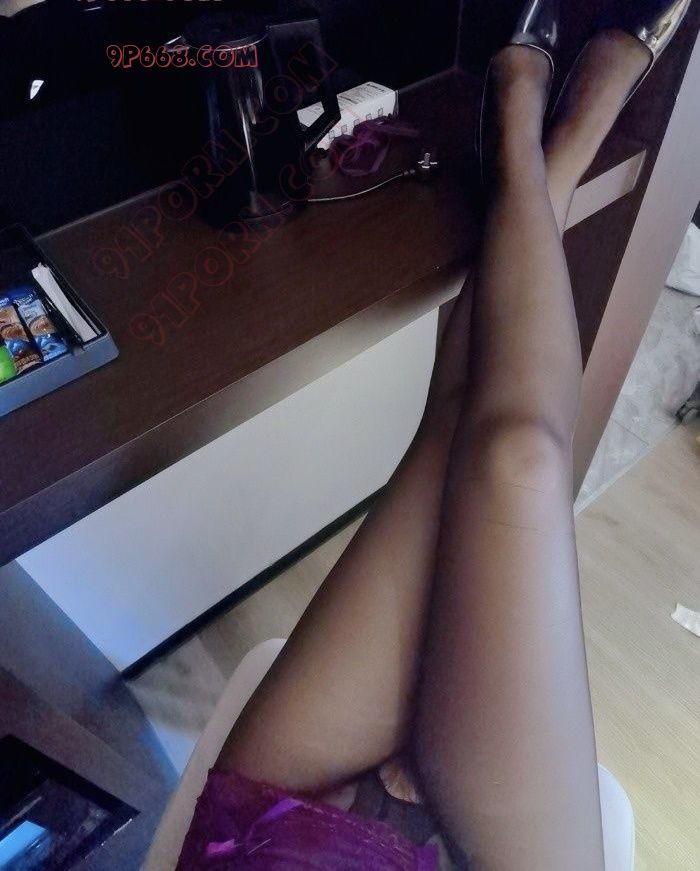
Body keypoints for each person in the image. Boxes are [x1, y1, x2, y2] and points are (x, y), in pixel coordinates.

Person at [177, 1, 691, 867]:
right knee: (519, 459)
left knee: (469, 438)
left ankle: (531, 139)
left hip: (271, 839)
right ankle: (547, 156)